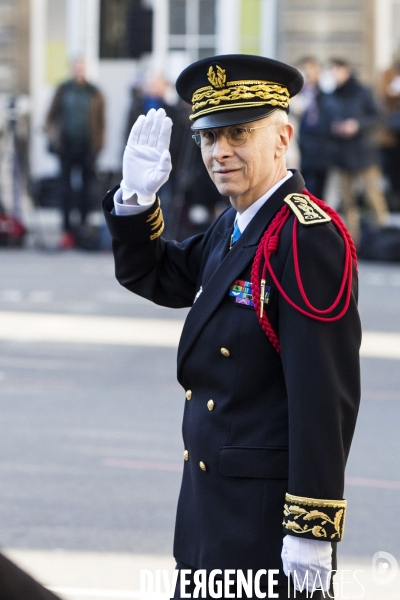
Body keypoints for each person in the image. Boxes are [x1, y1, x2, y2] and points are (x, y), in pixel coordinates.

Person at [102, 55, 361, 599]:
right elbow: (164, 278)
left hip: (263, 525)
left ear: (281, 137)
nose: (220, 152)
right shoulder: (240, 220)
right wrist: (135, 201)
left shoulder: (303, 236)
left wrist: (311, 527)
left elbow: (322, 394)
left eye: (239, 134)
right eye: (209, 137)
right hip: (212, 511)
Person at [323, 58, 389, 247]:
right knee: (348, 201)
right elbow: (324, 122)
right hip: (341, 155)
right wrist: (334, 127)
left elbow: (377, 117)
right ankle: (353, 241)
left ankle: (383, 237)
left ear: (347, 71)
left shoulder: (364, 92)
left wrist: (357, 125)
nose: (334, 75)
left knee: (373, 195)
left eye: (336, 70)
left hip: (364, 154)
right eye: (332, 71)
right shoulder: (331, 96)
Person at [46, 57, 105, 249]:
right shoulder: (63, 90)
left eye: (82, 67)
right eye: (76, 67)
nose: (79, 71)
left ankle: (83, 229)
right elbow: (50, 116)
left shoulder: (95, 93)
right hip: (66, 147)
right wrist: (52, 137)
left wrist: (98, 146)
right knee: (65, 189)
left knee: (86, 190)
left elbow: (101, 123)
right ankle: (67, 230)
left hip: (87, 148)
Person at [293, 57, 331, 198]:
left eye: (312, 69)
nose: (309, 73)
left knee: (321, 189)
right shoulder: (297, 94)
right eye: (306, 69)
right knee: (304, 186)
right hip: (302, 145)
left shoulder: (325, 94)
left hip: (322, 147)